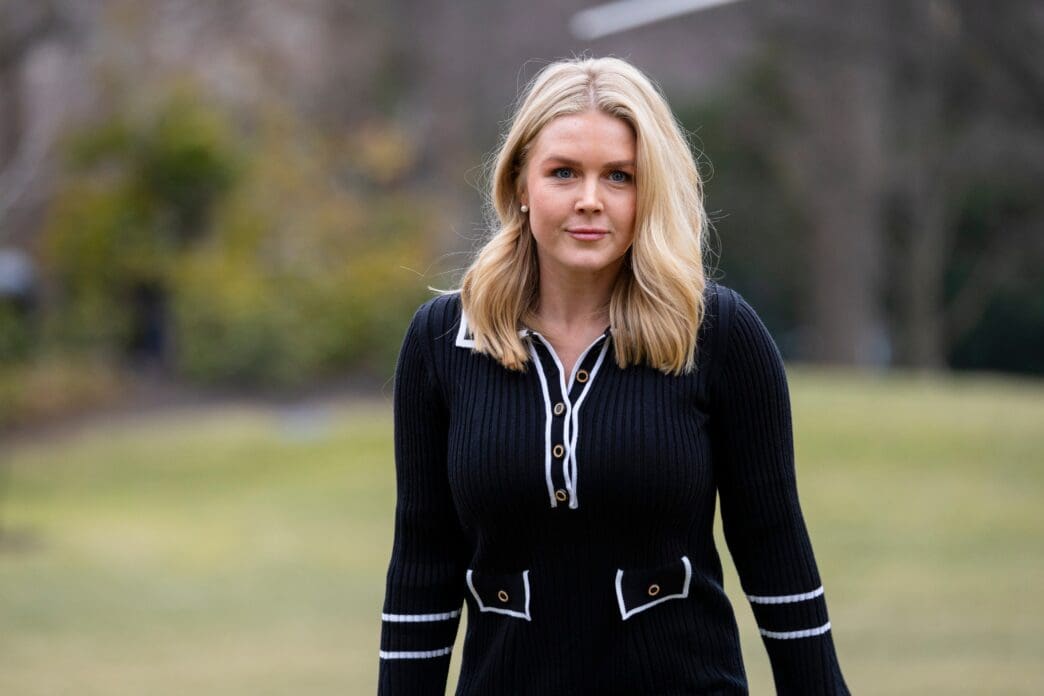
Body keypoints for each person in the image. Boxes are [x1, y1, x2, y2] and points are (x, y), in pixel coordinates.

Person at [377, 56, 850, 695]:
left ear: (647, 189)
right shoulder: (441, 342)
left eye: (619, 176)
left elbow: (775, 551)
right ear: (520, 182)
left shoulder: (717, 333)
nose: (590, 200)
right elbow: (423, 567)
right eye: (563, 172)